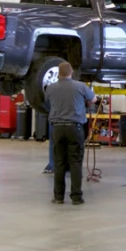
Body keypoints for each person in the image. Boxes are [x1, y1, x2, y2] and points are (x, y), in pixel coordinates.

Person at [44, 61, 96, 205]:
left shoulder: (50, 88)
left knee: (59, 163)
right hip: (75, 128)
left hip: (57, 128)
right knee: (75, 162)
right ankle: (76, 197)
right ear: (71, 72)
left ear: (58, 73)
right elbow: (94, 99)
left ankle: (59, 197)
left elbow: (47, 102)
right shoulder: (80, 86)